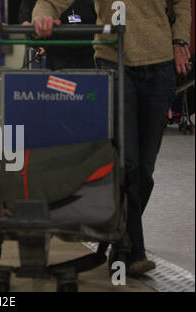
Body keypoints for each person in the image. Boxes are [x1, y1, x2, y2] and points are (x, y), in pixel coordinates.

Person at [33, 0, 192, 277]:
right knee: (127, 162)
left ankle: (120, 237)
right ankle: (131, 250)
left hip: (160, 65)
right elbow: (48, 2)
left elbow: (180, 4)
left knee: (145, 168)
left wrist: (179, 39)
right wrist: (43, 17)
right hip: (114, 62)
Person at [37, 0, 96, 70]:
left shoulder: (91, 4)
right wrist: (43, 46)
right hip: (58, 55)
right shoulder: (52, 5)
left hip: (86, 55)